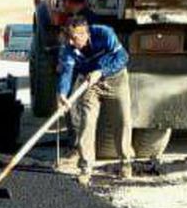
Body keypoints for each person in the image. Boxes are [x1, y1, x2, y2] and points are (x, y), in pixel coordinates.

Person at [56, 17, 132, 183]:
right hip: (90, 84)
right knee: (87, 122)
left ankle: (125, 163)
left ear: (85, 34)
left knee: (122, 121)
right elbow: (67, 71)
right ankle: (85, 168)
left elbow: (122, 57)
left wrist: (102, 71)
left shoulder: (104, 33)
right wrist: (62, 93)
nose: (70, 41)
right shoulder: (69, 48)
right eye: (69, 36)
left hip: (115, 80)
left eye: (74, 37)